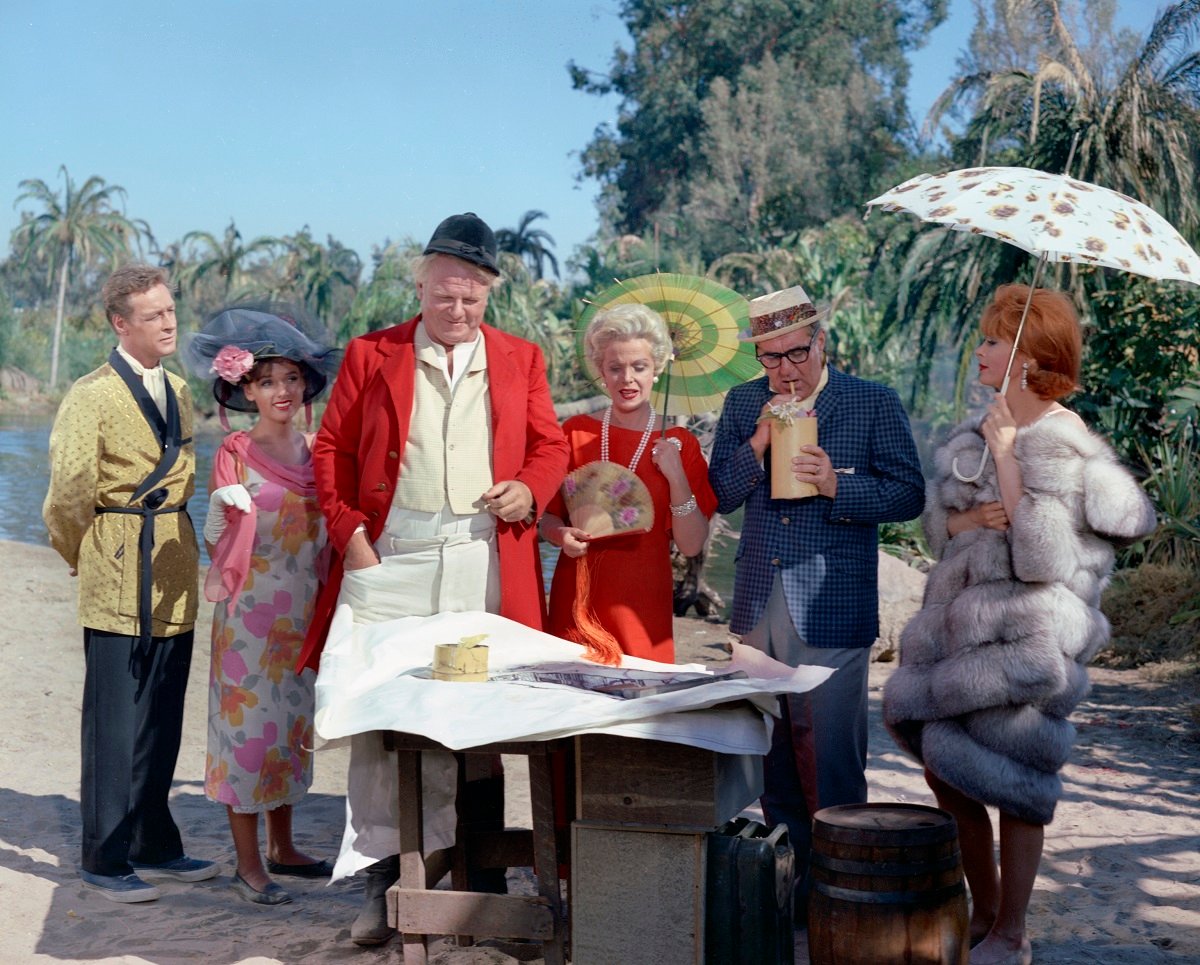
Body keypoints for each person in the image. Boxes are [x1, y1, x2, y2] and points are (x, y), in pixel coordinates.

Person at [296, 212, 569, 945]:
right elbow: (331, 450)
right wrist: (351, 533)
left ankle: (481, 885)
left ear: (489, 295)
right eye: (445, 295)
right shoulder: (371, 353)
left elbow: (550, 445)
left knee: (483, 713)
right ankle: (387, 881)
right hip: (394, 557)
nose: (457, 311)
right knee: (385, 720)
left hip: (483, 556)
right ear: (421, 285)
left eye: (472, 299)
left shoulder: (521, 359)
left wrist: (530, 490)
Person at [882, 284, 1156, 965]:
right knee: (947, 769)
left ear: (1031, 355)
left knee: (1021, 788)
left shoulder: (1062, 444)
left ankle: (1013, 929)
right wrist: (964, 520)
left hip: (1027, 643)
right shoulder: (974, 433)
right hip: (959, 641)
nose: (981, 350)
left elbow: (1042, 560)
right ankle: (987, 906)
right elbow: (935, 531)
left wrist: (1008, 456)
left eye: (995, 341)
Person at [708, 283, 925, 919]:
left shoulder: (870, 402)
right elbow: (720, 493)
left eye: (795, 354)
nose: (784, 371)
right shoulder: (746, 401)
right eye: (769, 359)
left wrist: (837, 486)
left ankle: (842, 897)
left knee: (831, 757)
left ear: (821, 341)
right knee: (772, 758)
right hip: (756, 600)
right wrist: (757, 446)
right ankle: (791, 892)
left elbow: (908, 494)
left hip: (831, 598)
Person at [42, 264, 217, 903]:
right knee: (114, 720)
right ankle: (103, 856)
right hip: (116, 563)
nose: (169, 322)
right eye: (153, 314)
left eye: (171, 310)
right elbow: (67, 495)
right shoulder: (90, 394)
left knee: (164, 713)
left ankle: (154, 842)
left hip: (173, 562)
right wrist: (80, 554)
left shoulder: (179, 388)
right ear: (122, 323)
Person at [183, 306, 341, 906]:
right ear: (245, 389)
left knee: (290, 732)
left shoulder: (319, 450)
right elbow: (218, 540)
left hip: (302, 613)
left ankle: (284, 846)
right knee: (247, 736)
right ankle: (249, 864)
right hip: (249, 617)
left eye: (292, 379)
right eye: (268, 380)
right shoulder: (235, 453)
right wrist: (216, 520)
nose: (282, 390)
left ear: (305, 386)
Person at [542, 302, 717, 662]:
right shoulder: (576, 433)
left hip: (643, 604)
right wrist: (560, 535)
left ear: (657, 369)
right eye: (615, 368)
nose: (627, 379)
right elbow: (547, 517)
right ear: (601, 372)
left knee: (640, 709)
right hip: (576, 596)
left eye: (639, 367)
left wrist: (677, 475)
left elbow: (691, 544)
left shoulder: (681, 443)